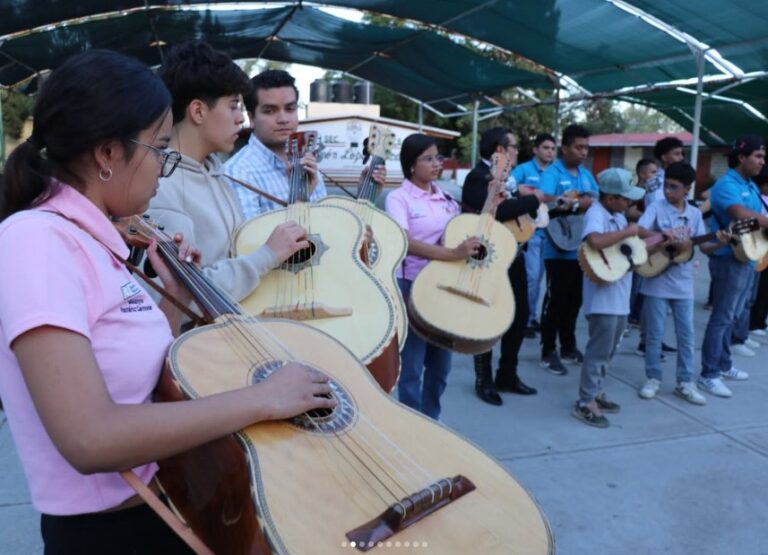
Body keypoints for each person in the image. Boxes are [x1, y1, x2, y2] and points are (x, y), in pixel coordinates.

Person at [0, 49, 334, 553]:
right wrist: (262, 399)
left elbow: (121, 368)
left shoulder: (93, 238)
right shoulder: (37, 241)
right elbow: (90, 437)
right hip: (114, 533)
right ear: (108, 154)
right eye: (159, 148)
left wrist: (174, 300)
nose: (165, 165)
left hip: (172, 501)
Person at [147, 42, 309, 306]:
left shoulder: (214, 171)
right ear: (198, 111)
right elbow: (182, 292)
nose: (240, 119)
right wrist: (267, 255)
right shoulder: (159, 186)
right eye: (233, 106)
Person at [385, 134, 481, 419]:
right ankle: (412, 424)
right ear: (411, 165)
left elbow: (466, 233)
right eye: (428, 158)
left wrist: (491, 201)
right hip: (412, 285)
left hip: (445, 288)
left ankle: (432, 419)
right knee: (412, 367)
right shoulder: (398, 198)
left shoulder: (447, 198)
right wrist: (453, 254)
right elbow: (404, 242)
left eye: (438, 157)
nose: (436, 163)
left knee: (441, 367)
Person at [462, 127, 543, 405]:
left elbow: (516, 210)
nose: (517, 152)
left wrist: (525, 203)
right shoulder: (478, 177)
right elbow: (500, 210)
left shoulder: (507, 177)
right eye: (513, 147)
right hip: (489, 257)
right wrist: (533, 199)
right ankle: (483, 379)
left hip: (513, 254)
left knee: (519, 316)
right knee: (488, 318)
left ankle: (508, 373)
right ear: (499, 150)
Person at [636, 162, 722, 406]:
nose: (667, 191)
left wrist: (722, 242)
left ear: (687, 189)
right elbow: (640, 229)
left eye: (673, 187)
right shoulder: (656, 207)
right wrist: (663, 237)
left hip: (682, 282)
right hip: (655, 278)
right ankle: (652, 378)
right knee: (654, 334)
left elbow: (703, 246)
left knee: (686, 335)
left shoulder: (694, 214)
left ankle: (685, 382)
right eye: (665, 185)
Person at [572, 168, 644, 428]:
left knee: (609, 351)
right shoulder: (596, 213)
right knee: (598, 351)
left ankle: (595, 391)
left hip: (620, 297)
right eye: (626, 198)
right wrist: (629, 232)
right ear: (611, 197)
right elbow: (594, 241)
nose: (630, 202)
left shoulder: (618, 215)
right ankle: (585, 402)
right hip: (602, 300)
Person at [697, 135, 767, 398]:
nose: (762, 161)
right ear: (741, 157)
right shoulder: (727, 184)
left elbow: (750, 223)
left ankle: (723, 364)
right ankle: (709, 374)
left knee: (733, 315)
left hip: (747, 255)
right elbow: (739, 215)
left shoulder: (749, 185)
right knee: (722, 317)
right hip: (728, 257)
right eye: (758, 156)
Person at [223, 69, 327, 218]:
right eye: (270, 111)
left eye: (290, 109)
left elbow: (325, 226)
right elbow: (251, 240)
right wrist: (299, 199)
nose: (283, 119)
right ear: (251, 118)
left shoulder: (308, 163)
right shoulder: (238, 173)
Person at [539, 124, 599, 375]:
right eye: (578, 147)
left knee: (575, 300)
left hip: (580, 248)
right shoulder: (552, 172)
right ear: (565, 148)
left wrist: (574, 202)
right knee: (556, 300)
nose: (583, 152)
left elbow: (596, 200)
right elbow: (545, 201)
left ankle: (568, 346)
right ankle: (548, 350)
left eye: (586, 147)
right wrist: (577, 203)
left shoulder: (586, 174)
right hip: (558, 248)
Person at [511, 133, 556, 338]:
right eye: (546, 147)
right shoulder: (522, 170)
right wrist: (527, 192)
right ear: (536, 150)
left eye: (553, 148)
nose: (550, 152)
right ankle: (524, 319)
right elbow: (509, 191)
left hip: (553, 232)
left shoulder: (556, 171)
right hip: (530, 232)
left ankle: (531, 317)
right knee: (531, 277)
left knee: (541, 280)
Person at [749, 167, 768, 337]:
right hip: (760, 248)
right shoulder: (759, 198)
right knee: (757, 289)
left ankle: (759, 321)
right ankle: (753, 323)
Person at [644, 136, 685, 208]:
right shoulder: (656, 182)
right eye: (677, 154)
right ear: (664, 158)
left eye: (681, 154)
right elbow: (659, 212)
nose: (681, 158)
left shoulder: (680, 179)